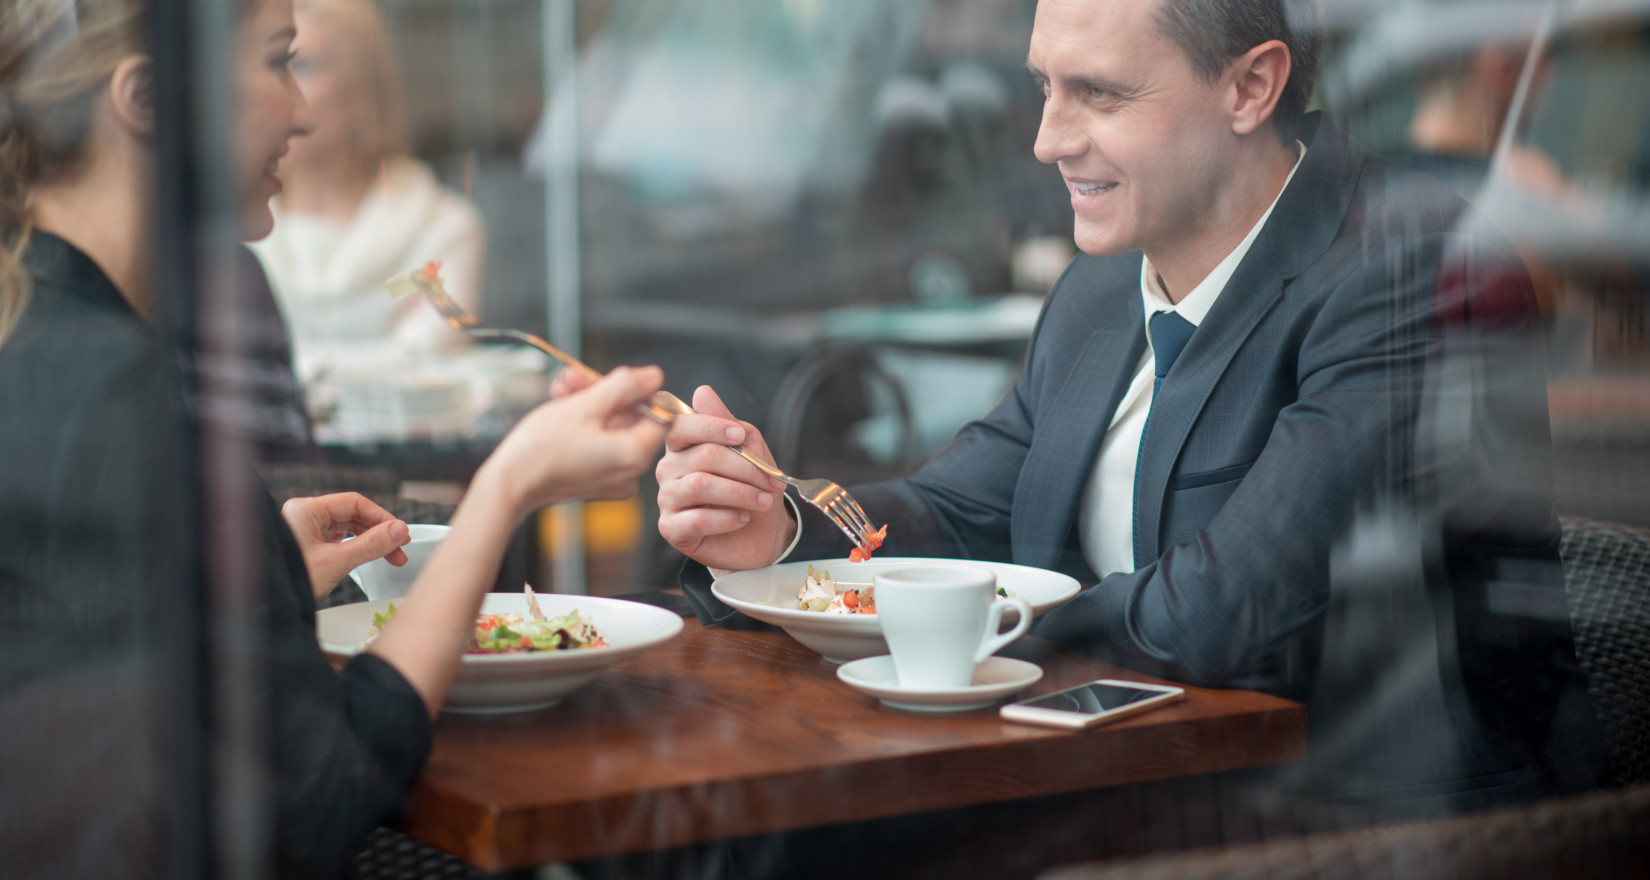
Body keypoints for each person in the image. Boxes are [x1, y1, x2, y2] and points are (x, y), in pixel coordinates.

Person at [627, 0, 1605, 838]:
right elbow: (965, 505)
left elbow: (1227, 612)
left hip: (1363, 827)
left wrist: (965, 616)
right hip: (1142, 789)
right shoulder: (1099, 290)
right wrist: (787, 528)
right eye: (1046, 86)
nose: (1048, 137)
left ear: (1251, 88)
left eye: (1098, 93)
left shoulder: (1405, 263)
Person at [0, 0, 666, 876]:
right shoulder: (112, 391)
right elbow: (318, 802)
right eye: (279, 61)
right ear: (151, 94)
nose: (302, 112)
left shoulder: (48, 337)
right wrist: (506, 491)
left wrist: (258, 563)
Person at [247, 0, 485, 377]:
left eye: (302, 66)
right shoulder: (238, 227)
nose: (283, 95)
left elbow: (429, 360)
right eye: (276, 65)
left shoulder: (441, 228)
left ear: (363, 93)